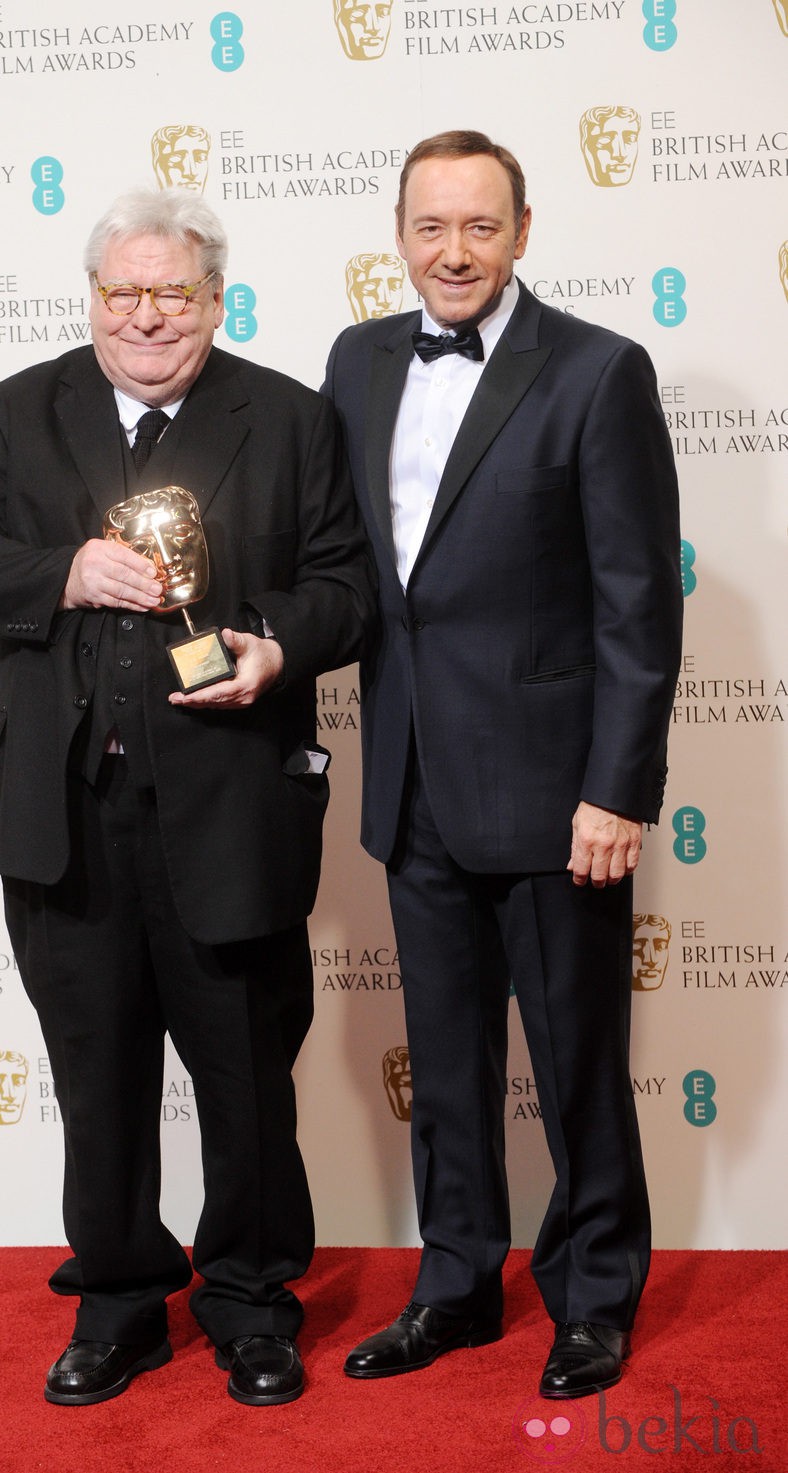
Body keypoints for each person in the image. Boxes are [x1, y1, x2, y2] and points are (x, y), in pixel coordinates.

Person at [0, 187, 373, 1408]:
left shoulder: (285, 416)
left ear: (214, 300)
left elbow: (344, 585)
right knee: (95, 1072)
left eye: (172, 293)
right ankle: (118, 1299)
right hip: (61, 815)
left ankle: (249, 1298)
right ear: (91, 300)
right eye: (122, 293)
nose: (145, 317)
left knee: (242, 1074)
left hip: (229, 813)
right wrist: (63, 571)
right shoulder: (21, 408)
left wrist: (277, 645)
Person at [323, 130, 682, 1399]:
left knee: (577, 1060)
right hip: (410, 780)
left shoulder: (595, 372)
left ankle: (592, 1297)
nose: (453, 251)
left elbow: (637, 606)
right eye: (430, 225)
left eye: (479, 226)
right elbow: (357, 574)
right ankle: (456, 1284)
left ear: (522, 231)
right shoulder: (357, 360)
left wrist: (616, 789)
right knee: (447, 1062)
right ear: (398, 233)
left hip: (552, 794)